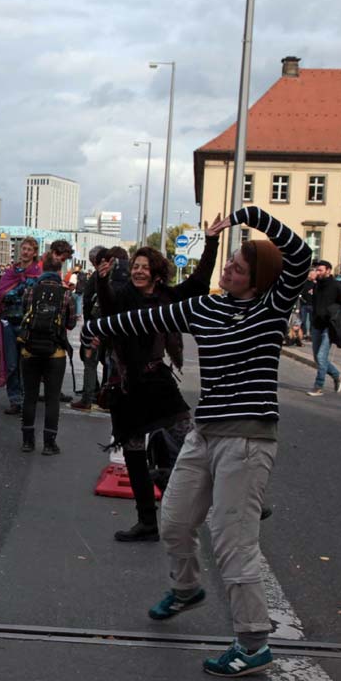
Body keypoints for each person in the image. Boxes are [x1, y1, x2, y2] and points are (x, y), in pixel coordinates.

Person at [86, 206, 310, 678]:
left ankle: (252, 644)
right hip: (205, 434)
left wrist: (250, 217)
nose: (227, 269)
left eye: (238, 267)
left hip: (247, 440)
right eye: (228, 263)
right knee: (173, 521)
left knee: (232, 543)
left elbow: (301, 253)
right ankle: (187, 588)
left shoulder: (272, 309)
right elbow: (147, 319)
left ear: (258, 278)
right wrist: (96, 329)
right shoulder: (206, 307)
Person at [95, 220, 220, 542]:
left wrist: (211, 243)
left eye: (144, 267)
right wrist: (101, 280)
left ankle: (230, 495)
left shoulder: (169, 296)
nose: (138, 271)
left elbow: (199, 282)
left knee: (191, 439)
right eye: (135, 266)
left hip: (158, 382)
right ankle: (147, 522)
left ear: (156, 271)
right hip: (127, 386)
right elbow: (108, 309)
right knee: (134, 455)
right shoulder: (122, 296)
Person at [17, 252, 76, 453]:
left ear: (42, 268)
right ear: (60, 270)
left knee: (30, 397)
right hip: (55, 352)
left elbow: (24, 313)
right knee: (52, 399)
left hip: (30, 350)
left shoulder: (31, 290)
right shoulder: (66, 293)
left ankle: (27, 441)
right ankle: (49, 443)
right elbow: (71, 323)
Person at [0, 237, 42, 415]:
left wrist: (18, 292)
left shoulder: (37, 272)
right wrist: (19, 290)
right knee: (12, 362)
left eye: (30, 249)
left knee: (28, 363)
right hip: (9, 321)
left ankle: (27, 398)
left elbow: (34, 294)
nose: (26, 252)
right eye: (24, 248)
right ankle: (15, 399)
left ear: (34, 252)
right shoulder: (11, 271)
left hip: (28, 323)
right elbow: (2, 293)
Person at [71, 246, 109, 412]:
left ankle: (90, 395)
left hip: (96, 325)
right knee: (107, 361)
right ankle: (103, 394)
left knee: (89, 359)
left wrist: (88, 328)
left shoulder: (98, 277)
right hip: (109, 326)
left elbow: (89, 302)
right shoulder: (114, 275)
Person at [306, 260, 341, 396]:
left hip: (329, 326)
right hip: (317, 324)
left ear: (328, 271)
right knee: (318, 358)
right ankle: (337, 375)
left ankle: (318, 386)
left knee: (321, 356)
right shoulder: (317, 286)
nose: (317, 272)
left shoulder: (337, 286)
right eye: (317, 270)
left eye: (320, 270)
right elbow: (315, 304)